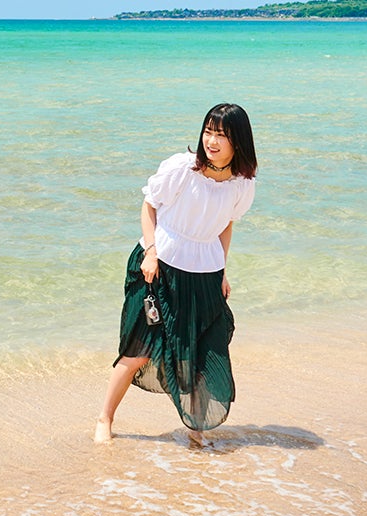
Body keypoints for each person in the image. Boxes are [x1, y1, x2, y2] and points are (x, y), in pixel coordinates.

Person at [95, 103, 257, 447]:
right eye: (208, 131)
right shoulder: (183, 169)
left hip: (203, 274)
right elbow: (149, 206)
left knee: (196, 351)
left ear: (238, 141)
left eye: (221, 135)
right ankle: (104, 418)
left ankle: (195, 427)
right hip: (158, 265)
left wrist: (222, 270)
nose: (211, 141)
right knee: (139, 348)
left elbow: (226, 226)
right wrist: (151, 252)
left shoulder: (241, 185)